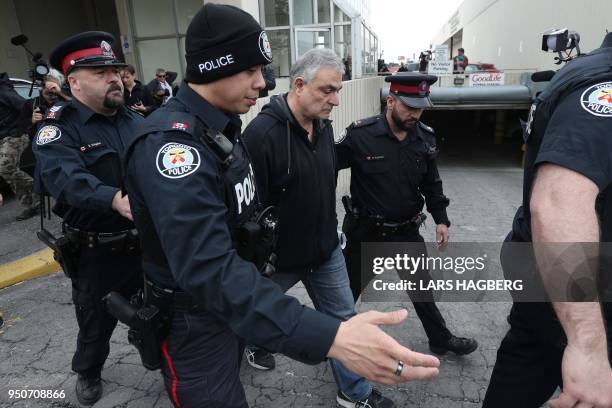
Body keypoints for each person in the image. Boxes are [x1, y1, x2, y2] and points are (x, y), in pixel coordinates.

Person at [124, 4, 440, 408]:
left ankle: (352, 392)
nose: (261, 83)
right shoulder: (175, 146)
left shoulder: (221, 129)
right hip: (198, 315)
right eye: (251, 70)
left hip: (252, 287)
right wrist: (329, 337)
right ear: (212, 67)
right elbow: (207, 266)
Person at [243, 48, 395, 408]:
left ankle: (353, 393)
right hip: (278, 261)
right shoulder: (261, 135)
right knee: (246, 315)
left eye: (338, 90)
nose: (336, 100)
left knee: (344, 321)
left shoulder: (324, 127)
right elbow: (247, 210)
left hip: (325, 253)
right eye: (328, 90)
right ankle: (252, 342)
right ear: (299, 85)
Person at [482, 33, 612, 408]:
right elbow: (558, 202)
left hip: (548, 284)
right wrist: (588, 346)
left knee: (525, 363)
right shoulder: (601, 84)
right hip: (583, 294)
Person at [33, 31, 144, 405]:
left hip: (147, 242)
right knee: (95, 323)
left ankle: (157, 348)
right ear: (75, 82)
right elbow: (63, 178)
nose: (114, 77)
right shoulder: (58, 127)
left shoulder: (135, 121)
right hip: (98, 252)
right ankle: (89, 371)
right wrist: (113, 198)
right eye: (101, 72)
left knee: (160, 309)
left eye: (116, 69)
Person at [335, 72, 478, 357]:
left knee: (422, 291)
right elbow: (324, 168)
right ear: (390, 101)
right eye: (409, 107)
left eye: (420, 107)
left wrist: (441, 219)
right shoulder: (360, 135)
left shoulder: (424, 138)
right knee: (346, 294)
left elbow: (432, 183)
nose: (415, 114)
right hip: (366, 233)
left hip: (406, 231)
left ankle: (440, 339)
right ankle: (335, 342)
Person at [0, 72, 39, 221]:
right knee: (8, 172)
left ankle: (39, 190)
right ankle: (32, 205)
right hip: (2, 138)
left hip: (14, 136)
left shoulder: (3, 91)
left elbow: (25, 106)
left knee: (4, 167)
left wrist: (20, 128)